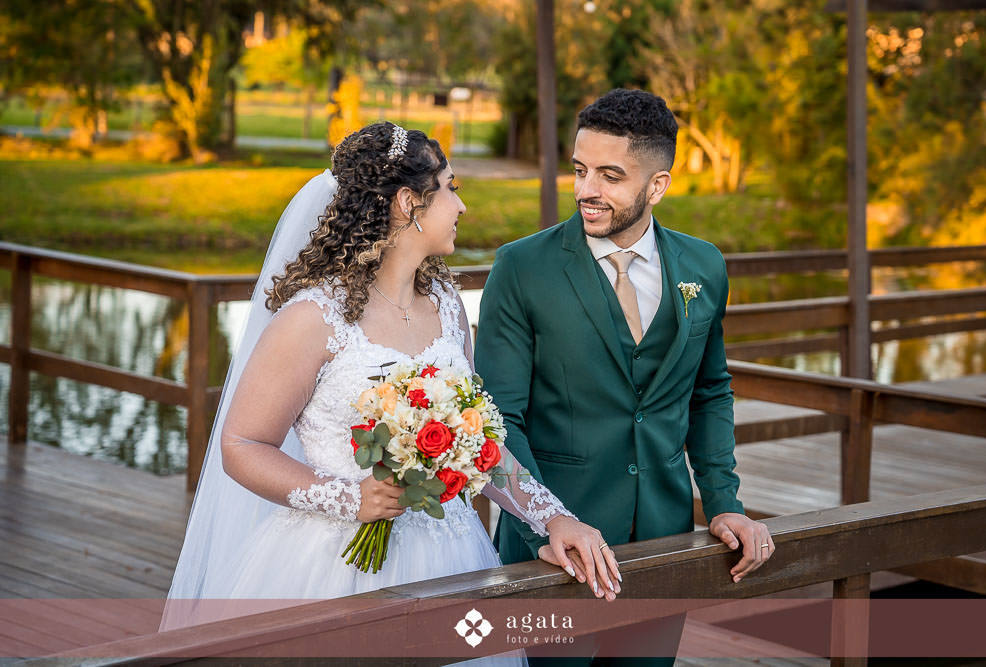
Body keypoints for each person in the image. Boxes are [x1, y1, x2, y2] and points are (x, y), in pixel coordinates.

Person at [161, 122, 621, 633]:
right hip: (333, 567)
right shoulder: (314, 318)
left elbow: (479, 446)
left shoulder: (447, 307)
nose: (461, 206)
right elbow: (242, 445)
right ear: (408, 202)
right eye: (449, 188)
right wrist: (350, 498)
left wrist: (551, 518)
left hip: (450, 555)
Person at [475, 89, 775, 661]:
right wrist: (547, 522)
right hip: (552, 552)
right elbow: (497, 417)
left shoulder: (704, 265)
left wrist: (724, 502)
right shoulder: (522, 267)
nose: (586, 190)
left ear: (657, 186)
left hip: (661, 542)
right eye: (580, 170)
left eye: (610, 176)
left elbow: (710, 392)